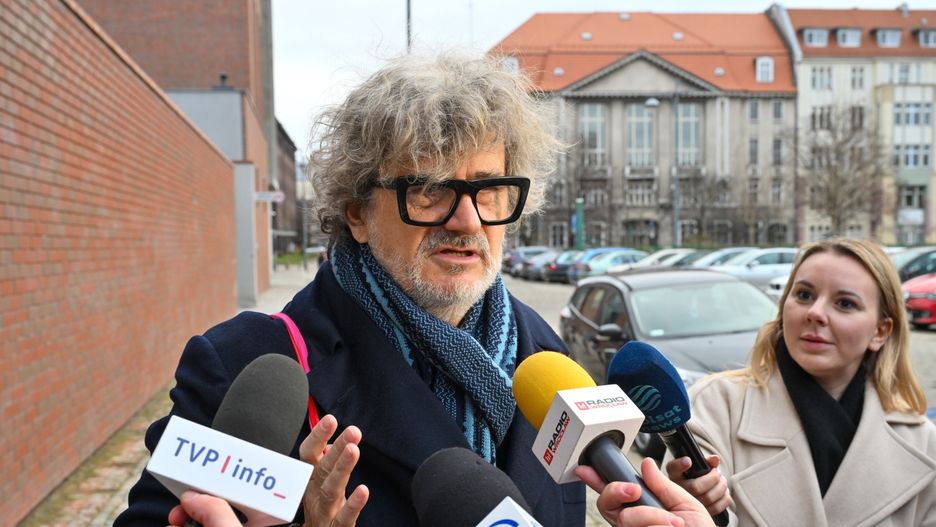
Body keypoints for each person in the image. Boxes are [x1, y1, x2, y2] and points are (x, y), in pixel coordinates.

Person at [114, 52, 714, 527]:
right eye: (429, 189)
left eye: (489, 190)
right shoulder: (249, 367)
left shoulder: (543, 356)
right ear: (357, 212)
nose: (468, 219)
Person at [663, 238, 936, 526]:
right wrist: (692, 508)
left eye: (845, 303)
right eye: (804, 295)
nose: (815, 312)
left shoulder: (924, 444)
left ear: (880, 331)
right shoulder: (715, 405)